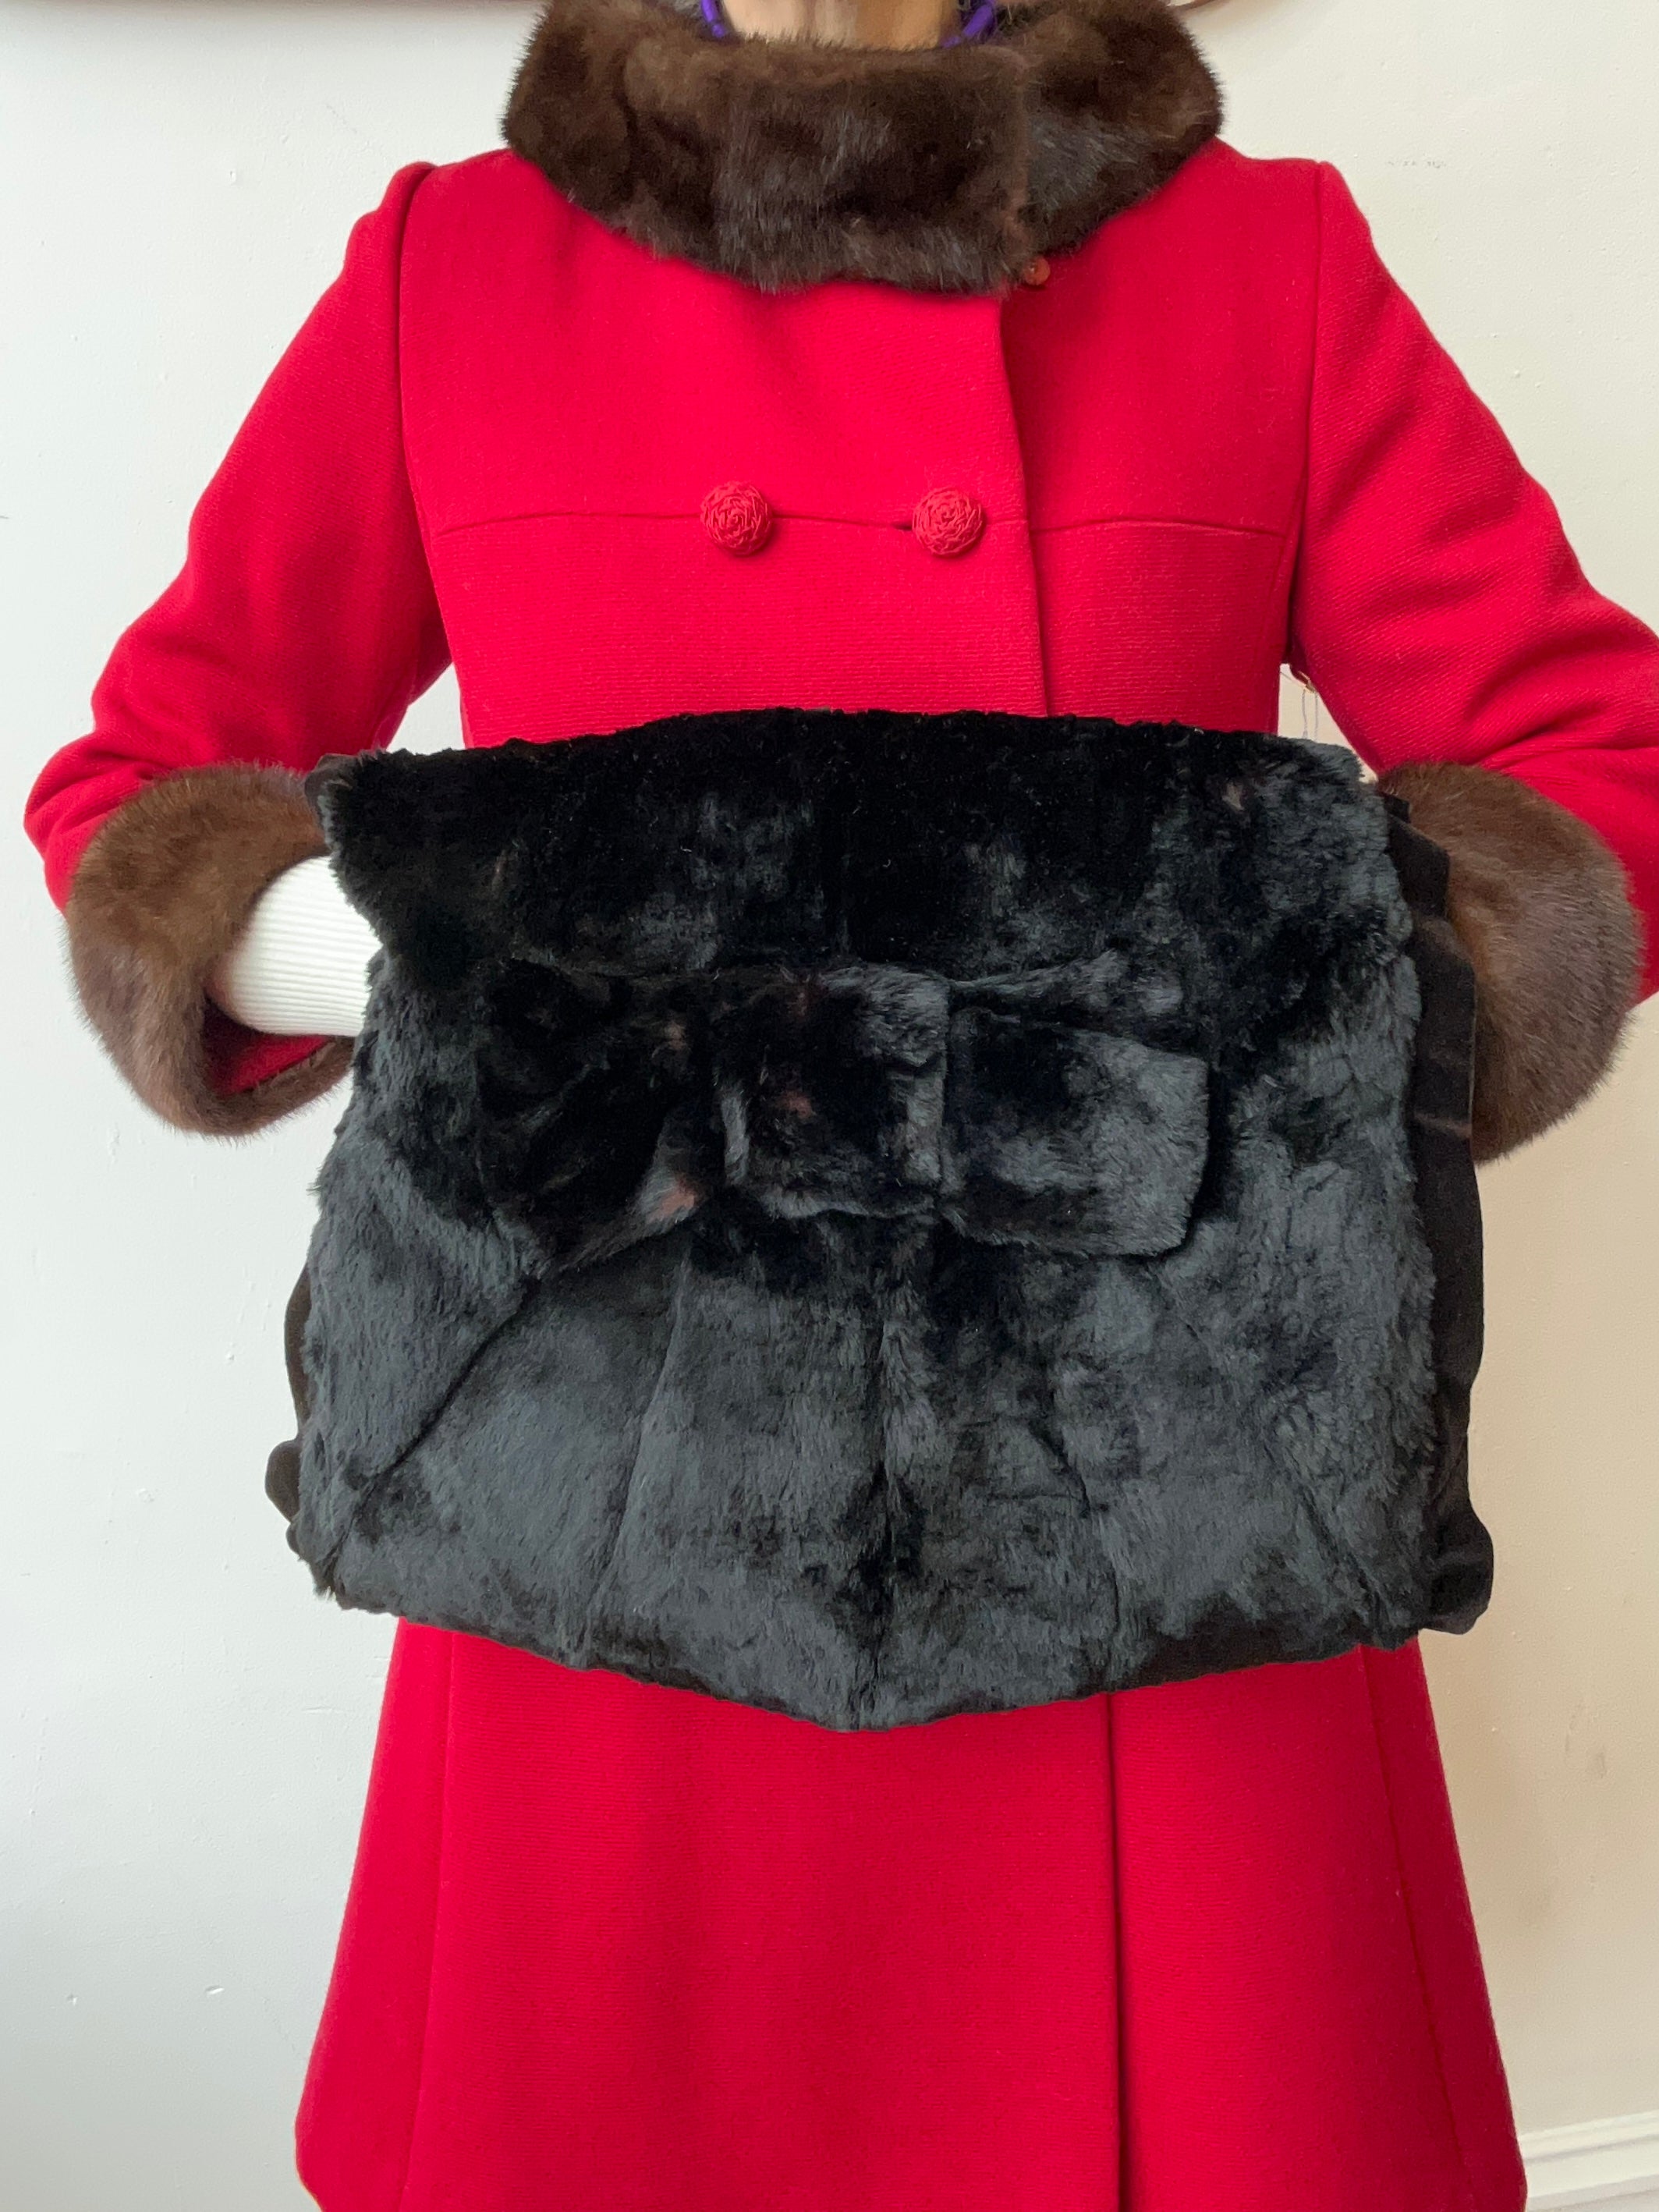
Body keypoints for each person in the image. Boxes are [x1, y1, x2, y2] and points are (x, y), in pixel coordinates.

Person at [23, 0, 1659, 2204]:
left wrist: (1256, 1015)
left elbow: (1594, 761)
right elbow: (150, 792)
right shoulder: (455, 270)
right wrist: (472, 961)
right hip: (614, 1522)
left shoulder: (1256, 260)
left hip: (1158, 1529)